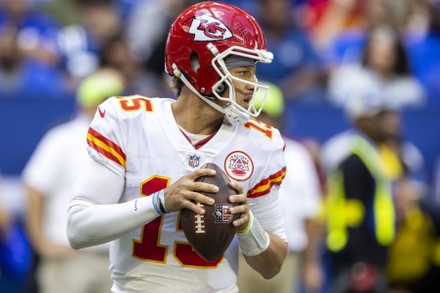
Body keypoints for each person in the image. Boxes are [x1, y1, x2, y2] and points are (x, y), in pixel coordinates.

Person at [66, 2, 288, 292]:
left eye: (253, 72)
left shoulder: (261, 143)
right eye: (242, 72)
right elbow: (78, 229)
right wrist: (161, 202)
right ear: (197, 66)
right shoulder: (128, 121)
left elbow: (272, 267)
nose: (252, 85)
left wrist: (248, 227)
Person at [22, 68, 124, 293]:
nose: (110, 106)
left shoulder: (126, 140)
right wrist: (41, 243)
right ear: (88, 103)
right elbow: (33, 188)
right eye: (104, 100)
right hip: (70, 258)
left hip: (115, 260)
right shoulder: (62, 137)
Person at [237, 83, 324, 293]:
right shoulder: (233, 151)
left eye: (268, 115)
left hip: (287, 257)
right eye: (257, 114)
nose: (261, 122)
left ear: (279, 119)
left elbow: (310, 213)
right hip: (238, 255)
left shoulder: (297, 154)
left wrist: (312, 263)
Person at [320, 88, 396, 293]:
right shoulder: (356, 159)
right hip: (356, 258)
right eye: (378, 117)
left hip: (368, 253)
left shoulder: (371, 153)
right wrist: (359, 261)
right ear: (362, 120)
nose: (387, 121)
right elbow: (351, 213)